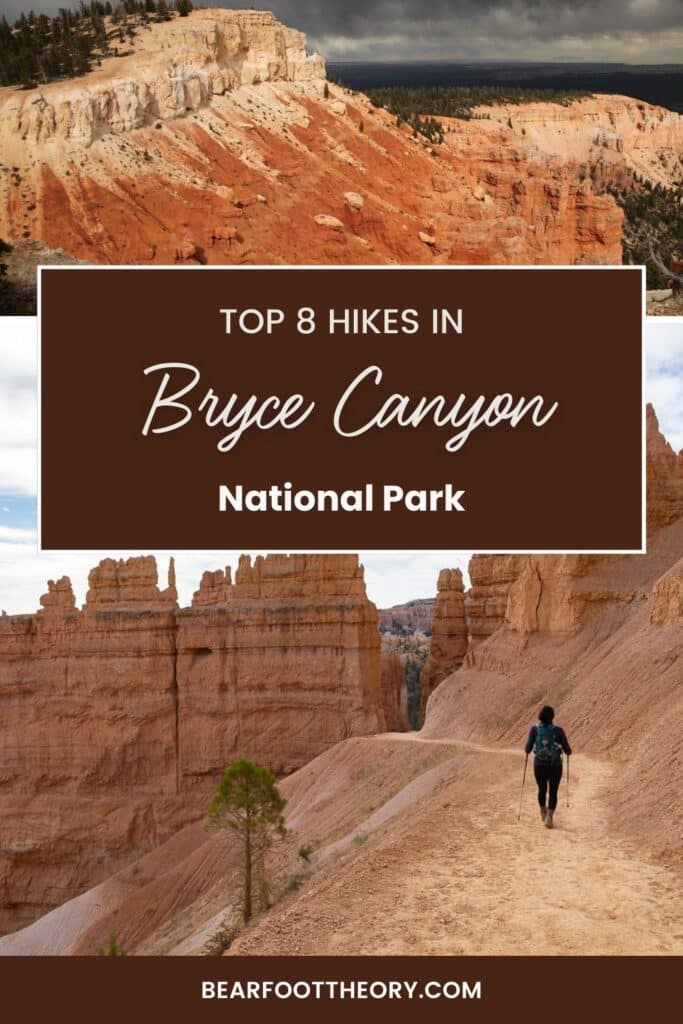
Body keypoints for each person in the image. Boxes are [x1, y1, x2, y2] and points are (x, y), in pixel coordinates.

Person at [524, 705, 572, 829]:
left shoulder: (534, 730)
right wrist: (565, 750)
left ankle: (543, 811)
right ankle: (549, 817)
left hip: (539, 766)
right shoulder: (558, 731)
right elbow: (568, 750)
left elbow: (527, 749)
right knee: (553, 792)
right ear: (552, 717)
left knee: (541, 790)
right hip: (555, 766)